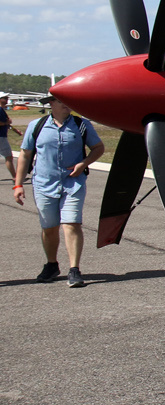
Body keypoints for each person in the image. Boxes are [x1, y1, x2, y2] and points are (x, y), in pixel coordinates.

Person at [14, 96, 105, 288]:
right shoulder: (36, 126)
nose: (66, 103)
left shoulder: (82, 125)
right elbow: (25, 154)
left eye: (69, 100)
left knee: (71, 223)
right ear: (51, 104)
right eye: (60, 100)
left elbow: (98, 147)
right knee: (49, 227)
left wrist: (84, 164)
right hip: (43, 184)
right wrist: (18, 184)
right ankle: (52, 265)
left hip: (73, 184)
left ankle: (74, 269)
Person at [0, 96, 18, 186]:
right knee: (8, 157)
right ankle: (15, 177)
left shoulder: (2, 110)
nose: (7, 100)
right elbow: (3, 123)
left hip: (2, 135)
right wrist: (7, 123)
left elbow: (7, 123)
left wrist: (15, 130)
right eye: (5, 98)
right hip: (1, 137)